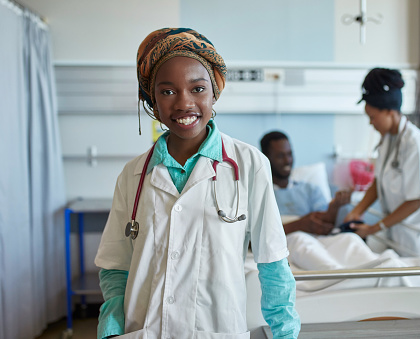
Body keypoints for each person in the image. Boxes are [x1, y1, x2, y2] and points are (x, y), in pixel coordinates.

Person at [94, 28, 300, 339]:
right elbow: (116, 268)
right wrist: (110, 331)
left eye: (197, 88)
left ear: (214, 92)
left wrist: (285, 334)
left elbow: (272, 266)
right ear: (151, 99)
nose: (184, 103)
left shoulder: (250, 165)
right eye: (167, 91)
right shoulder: (133, 175)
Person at [343, 67, 420, 264]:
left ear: (390, 111)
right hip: (402, 228)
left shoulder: (416, 145)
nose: (371, 124)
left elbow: (415, 200)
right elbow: (379, 182)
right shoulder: (388, 140)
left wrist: (374, 228)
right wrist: (358, 210)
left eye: (372, 117)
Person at [260, 131, 351, 236]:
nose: (287, 160)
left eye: (289, 154)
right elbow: (256, 238)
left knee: (351, 239)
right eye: (280, 156)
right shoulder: (260, 195)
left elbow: (325, 224)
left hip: (316, 241)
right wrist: (298, 226)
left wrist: (334, 207)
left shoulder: (310, 189)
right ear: (265, 159)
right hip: (288, 243)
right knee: (300, 239)